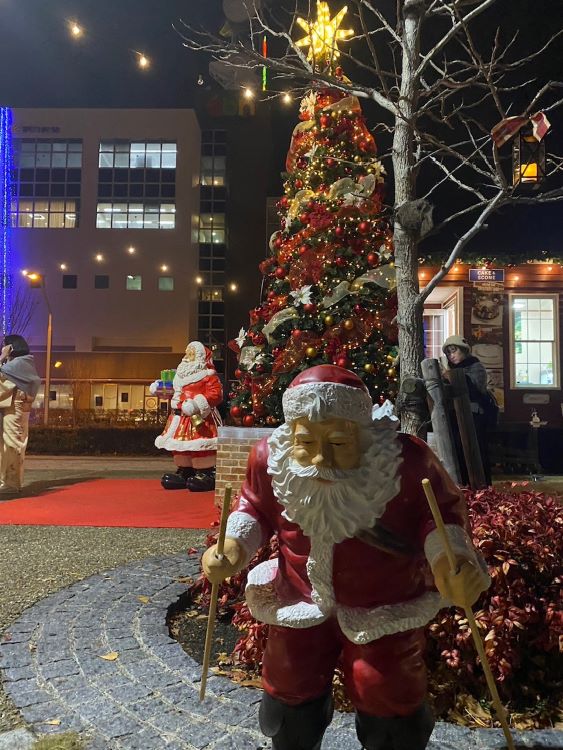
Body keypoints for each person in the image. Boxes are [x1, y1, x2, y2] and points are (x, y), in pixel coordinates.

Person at [202, 365, 490, 750]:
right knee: (288, 684)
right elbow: (254, 508)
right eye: (307, 443)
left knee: (386, 689)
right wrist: (233, 547)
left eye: (338, 444)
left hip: (383, 603)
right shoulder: (271, 459)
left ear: (363, 434)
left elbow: (439, 516)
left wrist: (449, 562)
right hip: (299, 598)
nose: (321, 459)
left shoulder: (406, 463)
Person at [150, 341, 223, 492]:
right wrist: (160, 388)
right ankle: (185, 470)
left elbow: (216, 394)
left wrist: (197, 404)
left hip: (199, 418)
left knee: (200, 445)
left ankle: (205, 472)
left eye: (192, 353)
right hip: (179, 418)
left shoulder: (207, 376)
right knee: (180, 446)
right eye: (187, 353)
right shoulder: (179, 375)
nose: (188, 356)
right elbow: (173, 391)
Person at [442, 335, 492, 486]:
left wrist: (453, 377)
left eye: (454, 351)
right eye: (449, 353)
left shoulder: (476, 367)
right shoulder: (451, 371)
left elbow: (474, 390)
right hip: (456, 416)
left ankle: (481, 485)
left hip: (474, 416)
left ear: (464, 350)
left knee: (476, 451)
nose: (452, 356)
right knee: (459, 451)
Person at [0, 335, 41, 492]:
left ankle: (11, 483)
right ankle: (9, 481)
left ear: (11, 347)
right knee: (15, 442)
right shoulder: (25, 363)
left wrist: (2, 356)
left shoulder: (15, 365)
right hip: (20, 408)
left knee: (11, 443)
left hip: (13, 407)